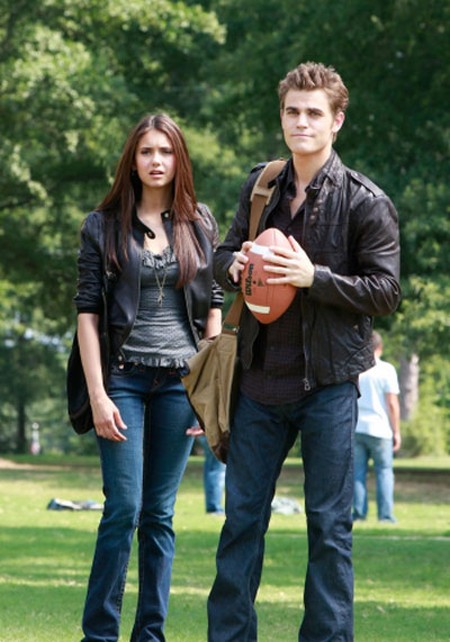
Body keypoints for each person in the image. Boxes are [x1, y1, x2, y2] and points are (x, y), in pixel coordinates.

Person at [208, 61, 401, 642]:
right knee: (241, 523)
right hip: (257, 383)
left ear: (336, 121)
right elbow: (221, 256)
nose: (301, 122)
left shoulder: (366, 201)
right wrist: (234, 266)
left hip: (329, 387)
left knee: (329, 528)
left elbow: (386, 291)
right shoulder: (260, 186)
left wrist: (313, 277)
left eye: (314, 113)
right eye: (292, 111)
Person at [74, 113, 223, 642]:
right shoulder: (101, 226)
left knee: (159, 515)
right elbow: (87, 314)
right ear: (132, 161)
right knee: (124, 509)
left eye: (165, 151)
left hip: (180, 384)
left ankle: (151, 633)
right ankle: (100, 634)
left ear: (179, 159)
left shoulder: (199, 223)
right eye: (146, 151)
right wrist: (97, 394)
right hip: (123, 381)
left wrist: (208, 393)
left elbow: (214, 307)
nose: (156, 160)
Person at [353, 331, 401, 523]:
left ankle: (359, 513)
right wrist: (396, 431)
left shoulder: (355, 369)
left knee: (357, 473)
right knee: (384, 471)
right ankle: (385, 515)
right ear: (380, 347)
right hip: (380, 429)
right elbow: (392, 403)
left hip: (357, 427)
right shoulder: (386, 370)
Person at [198, 434, 226, 514]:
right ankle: (214, 507)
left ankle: (213, 506)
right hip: (213, 432)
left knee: (213, 467)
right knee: (216, 468)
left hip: (207, 432)